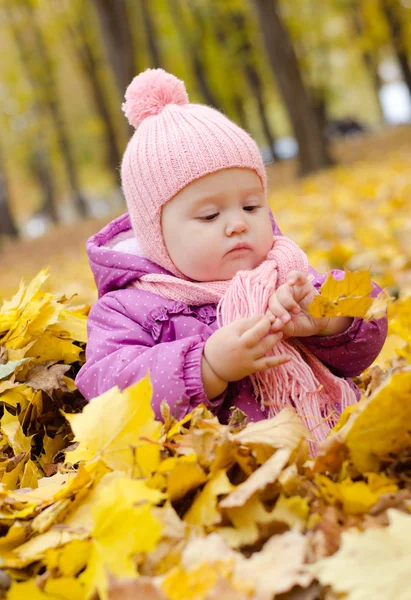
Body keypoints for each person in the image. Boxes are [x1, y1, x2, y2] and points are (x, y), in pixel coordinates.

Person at [75, 69, 387, 450]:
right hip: (227, 472)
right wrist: (206, 366)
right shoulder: (129, 308)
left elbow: (370, 314)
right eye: (210, 216)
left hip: (333, 444)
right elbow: (107, 389)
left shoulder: (283, 272)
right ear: (156, 235)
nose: (238, 224)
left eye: (251, 205)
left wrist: (326, 319)